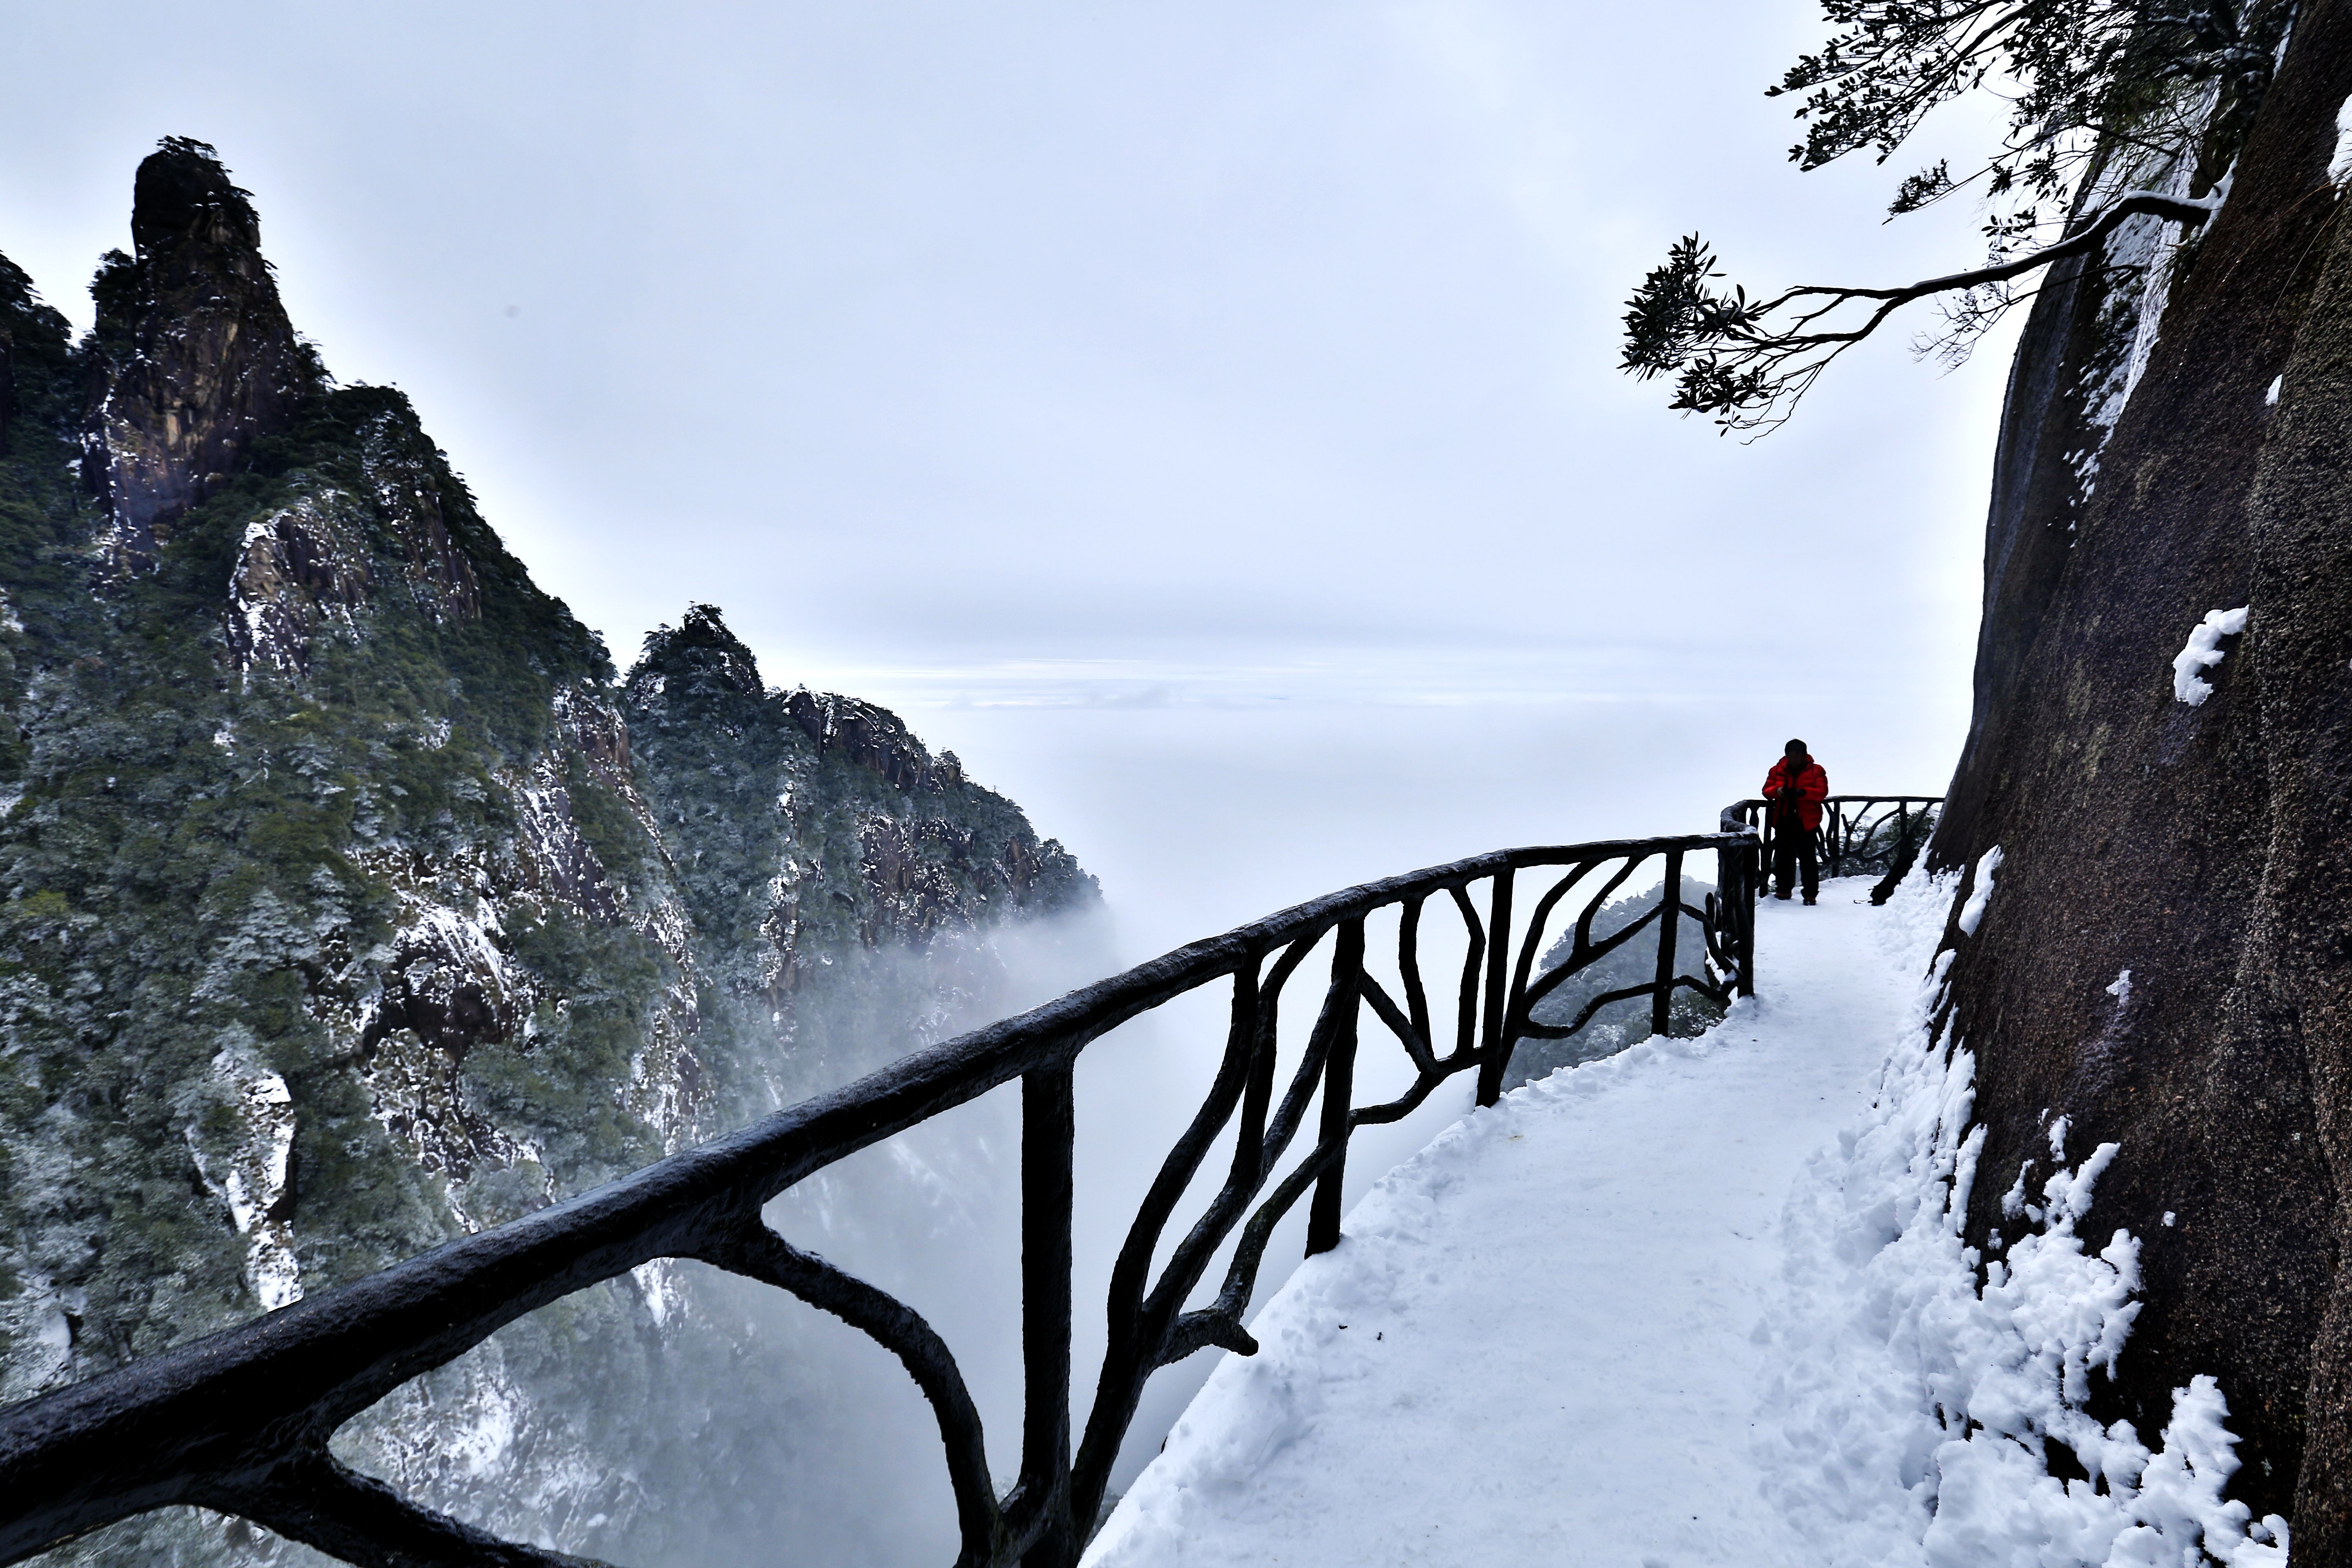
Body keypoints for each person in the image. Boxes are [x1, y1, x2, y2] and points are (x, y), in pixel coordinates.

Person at [1762, 738, 1828, 904]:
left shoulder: (1816, 771)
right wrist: (1778, 791)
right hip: (1784, 819)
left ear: (1805, 755)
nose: (1795, 758)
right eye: (1792, 754)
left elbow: (1822, 792)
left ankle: (1810, 895)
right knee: (1784, 857)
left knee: (1808, 858)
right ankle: (1784, 890)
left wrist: (1803, 793)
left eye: (1798, 754)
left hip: (1807, 821)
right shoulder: (1777, 770)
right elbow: (1766, 791)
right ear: (1787, 755)